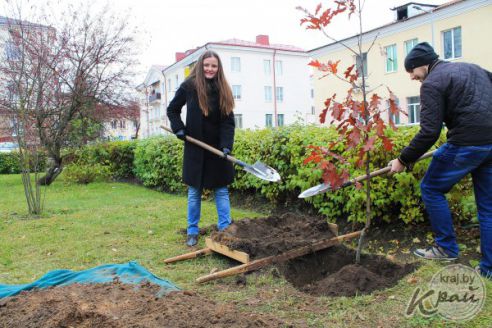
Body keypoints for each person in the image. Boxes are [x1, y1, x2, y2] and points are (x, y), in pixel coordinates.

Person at [389, 42, 492, 278]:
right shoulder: (475, 69)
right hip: (490, 145)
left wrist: (403, 160)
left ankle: (445, 247)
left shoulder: (432, 82)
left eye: (412, 72)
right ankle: (489, 269)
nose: (414, 78)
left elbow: (429, 132)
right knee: (488, 209)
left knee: (431, 188)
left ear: (421, 66)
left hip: (466, 144)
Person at [167, 50, 235, 247]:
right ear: (200, 66)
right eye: (207, 65)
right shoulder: (189, 87)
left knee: (221, 191)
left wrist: (226, 146)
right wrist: (179, 128)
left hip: (217, 151)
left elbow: (228, 123)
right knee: (194, 192)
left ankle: (225, 230)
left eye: (214, 66)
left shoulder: (223, 89)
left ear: (218, 68)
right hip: (195, 149)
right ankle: (192, 231)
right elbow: (172, 109)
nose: (210, 69)